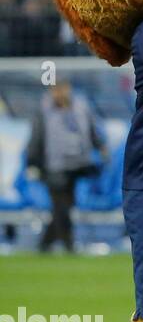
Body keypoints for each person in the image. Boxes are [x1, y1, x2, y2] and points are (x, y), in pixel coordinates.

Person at [27, 80, 103, 253]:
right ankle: (68, 244)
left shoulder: (81, 107)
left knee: (66, 205)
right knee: (61, 206)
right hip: (53, 166)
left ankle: (44, 244)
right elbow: (36, 137)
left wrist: (100, 147)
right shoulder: (44, 110)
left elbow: (92, 131)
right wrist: (32, 162)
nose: (59, 93)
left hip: (76, 165)